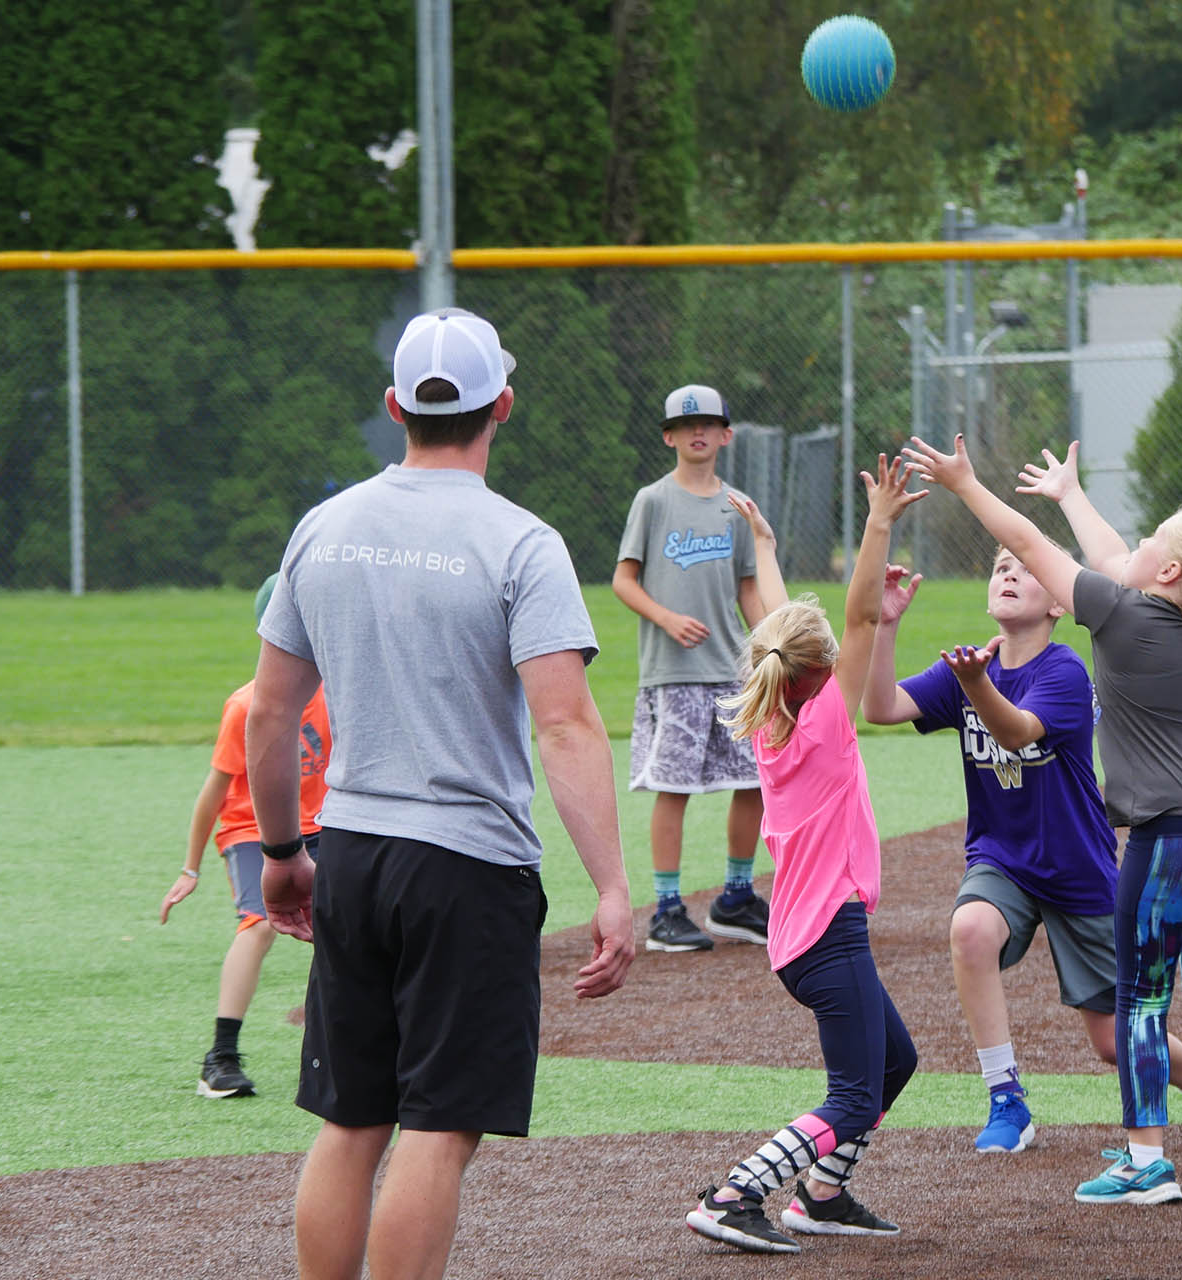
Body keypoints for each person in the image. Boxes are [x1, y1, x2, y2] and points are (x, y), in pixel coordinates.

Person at [248, 307, 635, 1280]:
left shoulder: (323, 526)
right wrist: (615, 887)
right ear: (502, 404)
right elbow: (566, 723)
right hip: (467, 867)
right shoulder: (523, 542)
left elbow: (270, 712)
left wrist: (286, 854)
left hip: (354, 853)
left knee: (352, 1118)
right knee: (440, 1122)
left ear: (394, 408)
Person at [901, 434, 1182, 1207]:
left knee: (1141, 1002)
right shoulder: (1177, 623)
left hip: (1171, 841)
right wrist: (1071, 494)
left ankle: (1146, 1160)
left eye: (1153, 540)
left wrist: (966, 486)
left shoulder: (1120, 614)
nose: (1136, 545)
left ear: (1169, 573)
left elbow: (1024, 543)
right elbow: (1114, 558)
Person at [861, 548, 1182, 1153]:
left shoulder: (1064, 671)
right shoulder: (971, 665)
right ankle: (1006, 1098)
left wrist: (974, 684)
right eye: (998, 566)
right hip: (1003, 859)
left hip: (1078, 869)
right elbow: (879, 708)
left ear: (1061, 603)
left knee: (1112, 1040)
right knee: (970, 929)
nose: (1009, 574)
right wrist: (887, 625)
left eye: (1025, 568)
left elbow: (1015, 730)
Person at [684, 456, 924, 1254]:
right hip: (829, 934)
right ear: (819, 676)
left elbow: (790, 628)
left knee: (896, 1060)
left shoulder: (773, 712)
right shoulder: (823, 719)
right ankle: (736, 1194)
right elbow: (849, 623)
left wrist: (767, 551)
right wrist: (879, 521)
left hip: (803, 934)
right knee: (856, 1095)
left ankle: (822, 1196)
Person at [159, 573, 330, 1100]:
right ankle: (221, 1057)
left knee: (349, 928)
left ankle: (343, 1052)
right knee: (258, 925)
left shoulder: (342, 694)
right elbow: (213, 793)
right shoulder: (247, 705)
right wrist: (191, 868)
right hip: (251, 828)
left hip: (323, 824)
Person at [612, 384, 770, 953]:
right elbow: (623, 580)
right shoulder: (652, 501)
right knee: (673, 787)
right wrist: (666, 617)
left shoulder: (737, 506)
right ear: (668, 437)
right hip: (673, 673)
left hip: (731, 670)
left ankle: (734, 897)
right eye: (685, 425)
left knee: (754, 779)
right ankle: (667, 910)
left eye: (707, 424)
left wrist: (769, 647)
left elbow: (748, 588)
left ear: (726, 434)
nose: (696, 432)